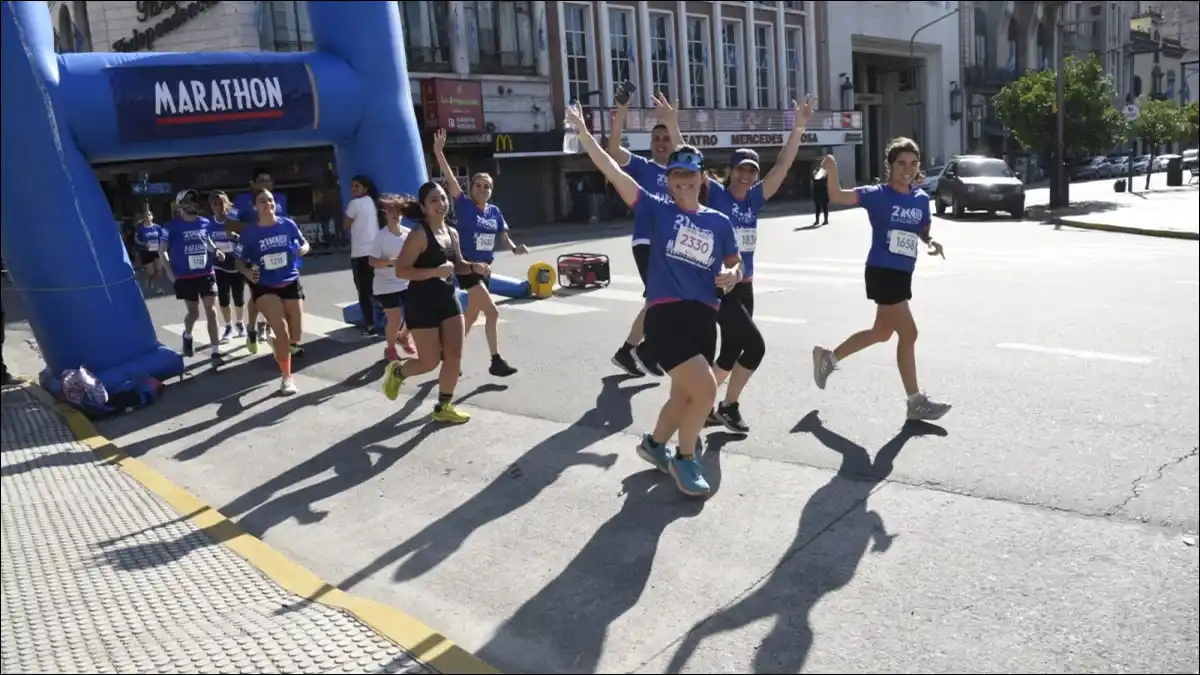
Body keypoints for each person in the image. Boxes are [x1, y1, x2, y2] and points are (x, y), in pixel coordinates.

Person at [569, 102, 742, 497]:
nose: (682, 182)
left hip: (704, 317)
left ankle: (653, 444)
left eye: (689, 176)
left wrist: (731, 276)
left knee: (684, 395)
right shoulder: (655, 208)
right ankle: (684, 458)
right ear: (668, 180)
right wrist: (583, 132)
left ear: (701, 179)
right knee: (707, 392)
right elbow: (611, 170)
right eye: (676, 176)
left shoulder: (718, 221)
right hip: (666, 317)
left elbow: (735, 265)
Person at [660, 95, 814, 433]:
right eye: (741, 169)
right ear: (729, 171)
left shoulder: (755, 199)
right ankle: (722, 405)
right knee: (754, 347)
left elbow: (783, 165)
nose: (746, 175)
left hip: (746, 286)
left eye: (751, 171)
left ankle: (703, 404)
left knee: (731, 349)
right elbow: (690, 159)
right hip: (721, 286)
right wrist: (672, 125)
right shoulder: (715, 195)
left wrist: (798, 127)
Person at [811, 138, 952, 421]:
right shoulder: (877, 194)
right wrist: (832, 169)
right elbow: (837, 196)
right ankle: (915, 401)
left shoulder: (921, 198)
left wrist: (930, 241)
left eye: (913, 164)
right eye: (901, 163)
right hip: (882, 271)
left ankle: (828, 358)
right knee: (909, 333)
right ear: (889, 166)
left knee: (881, 333)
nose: (908, 169)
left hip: (903, 273)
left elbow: (922, 228)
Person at [380, 182, 482, 425]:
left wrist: (473, 267)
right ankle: (397, 372)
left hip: (447, 298)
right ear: (424, 207)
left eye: (443, 199)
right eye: (434, 200)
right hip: (421, 302)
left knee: (454, 357)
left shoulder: (451, 232)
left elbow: (457, 264)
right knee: (429, 362)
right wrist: (434, 272)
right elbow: (402, 271)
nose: (441, 204)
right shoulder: (418, 235)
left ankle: (443, 406)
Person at [431, 129, 524, 377]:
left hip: (486, 269)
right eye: (479, 185)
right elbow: (450, 179)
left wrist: (514, 247)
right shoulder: (463, 205)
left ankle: (447, 355)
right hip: (467, 267)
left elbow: (502, 234)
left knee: (470, 316)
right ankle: (496, 361)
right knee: (492, 312)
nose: (483, 189)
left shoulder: (494, 211)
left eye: (487, 187)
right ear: (471, 188)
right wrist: (439, 151)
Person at [605, 94, 679, 378]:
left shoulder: (680, 172)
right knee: (661, 299)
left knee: (659, 300)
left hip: (671, 246)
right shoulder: (642, 167)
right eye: (656, 139)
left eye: (666, 138)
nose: (661, 143)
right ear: (651, 145)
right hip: (647, 241)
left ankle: (631, 350)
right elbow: (613, 150)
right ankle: (648, 350)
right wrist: (621, 114)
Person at [233, 188, 311, 395]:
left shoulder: (288, 224)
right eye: (262, 201)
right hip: (264, 285)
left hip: (290, 281)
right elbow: (238, 260)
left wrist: (304, 248)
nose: (267, 204)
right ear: (254, 207)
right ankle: (287, 378)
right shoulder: (250, 232)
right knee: (282, 329)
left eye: (269, 200)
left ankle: (276, 344)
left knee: (296, 337)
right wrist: (247, 273)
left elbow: (303, 242)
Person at [160, 189, 226, 366]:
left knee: (211, 309)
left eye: (196, 200)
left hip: (206, 273)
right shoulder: (171, 227)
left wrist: (216, 251)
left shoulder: (204, 222)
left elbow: (207, 241)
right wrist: (170, 273)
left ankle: (215, 352)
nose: (194, 204)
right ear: (181, 204)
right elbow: (162, 251)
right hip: (185, 276)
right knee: (194, 312)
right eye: (189, 201)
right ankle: (187, 334)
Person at [370, 196, 416, 361]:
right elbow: (372, 261)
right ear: (385, 214)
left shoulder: (409, 234)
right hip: (385, 285)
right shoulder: (381, 237)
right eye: (391, 211)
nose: (396, 215)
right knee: (395, 317)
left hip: (406, 282)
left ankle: (403, 337)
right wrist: (391, 262)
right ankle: (389, 348)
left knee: (415, 315)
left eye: (398, 211)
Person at [345, 175, 383, 337]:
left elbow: (345, 224)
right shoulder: (375, 203)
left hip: (360, 253)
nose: (353, 189)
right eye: (352, 186)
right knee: (378, 288)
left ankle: (369, 324)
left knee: (364, 291)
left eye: (357, 186)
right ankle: (385, 317)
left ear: (365, 188)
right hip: (376, 251)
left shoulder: (354, 204)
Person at [208, 191, 245, 342]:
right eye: (215, 204)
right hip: (219, 264)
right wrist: (215, 251)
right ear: (211, 206)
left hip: (236, 261)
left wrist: (235, 236)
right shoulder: (209, 223)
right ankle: (228, 327)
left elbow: (247, 238)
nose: (219, 206)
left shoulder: (234, 220)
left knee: (239, 296)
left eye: (222, 203)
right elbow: (207, 242)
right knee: (224, 297)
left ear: (227, 204)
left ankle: (240, 324)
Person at [133, 204, 168, 296]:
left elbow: (164, 237)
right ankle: (150, 280)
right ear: (143, 218)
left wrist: (163, 246)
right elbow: (136, 239)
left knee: (159, 270)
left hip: (157, 251)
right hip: (146, 252)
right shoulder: (140, 229)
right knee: (151, 272)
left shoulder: (157, 227)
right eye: (145, 215)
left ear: (152, 217)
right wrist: (144, 244)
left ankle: (158, 288)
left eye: (149, 215)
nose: (147, 216)